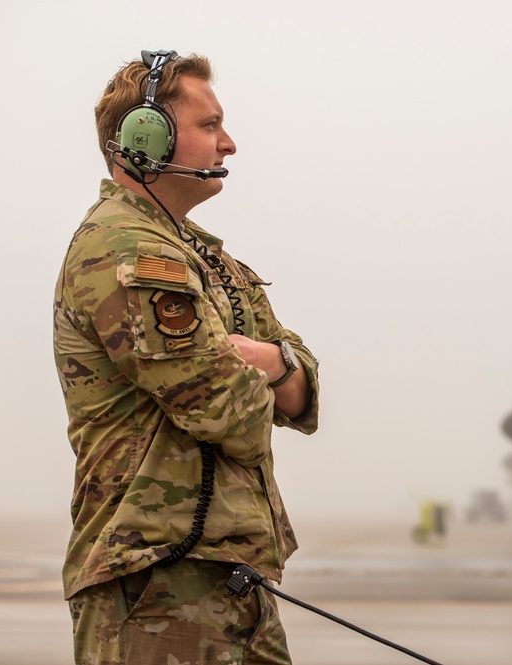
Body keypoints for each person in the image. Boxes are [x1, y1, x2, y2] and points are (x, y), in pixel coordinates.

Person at [53, 49, 320, 665]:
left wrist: (272, 364)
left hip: (229, 576)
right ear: (144, 138)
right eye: (209, 126)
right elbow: (226, 411)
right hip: (155, 580)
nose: (229, 144)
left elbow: (305, 386)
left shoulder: (208, 261)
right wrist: (266, 377)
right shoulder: (124, 248)